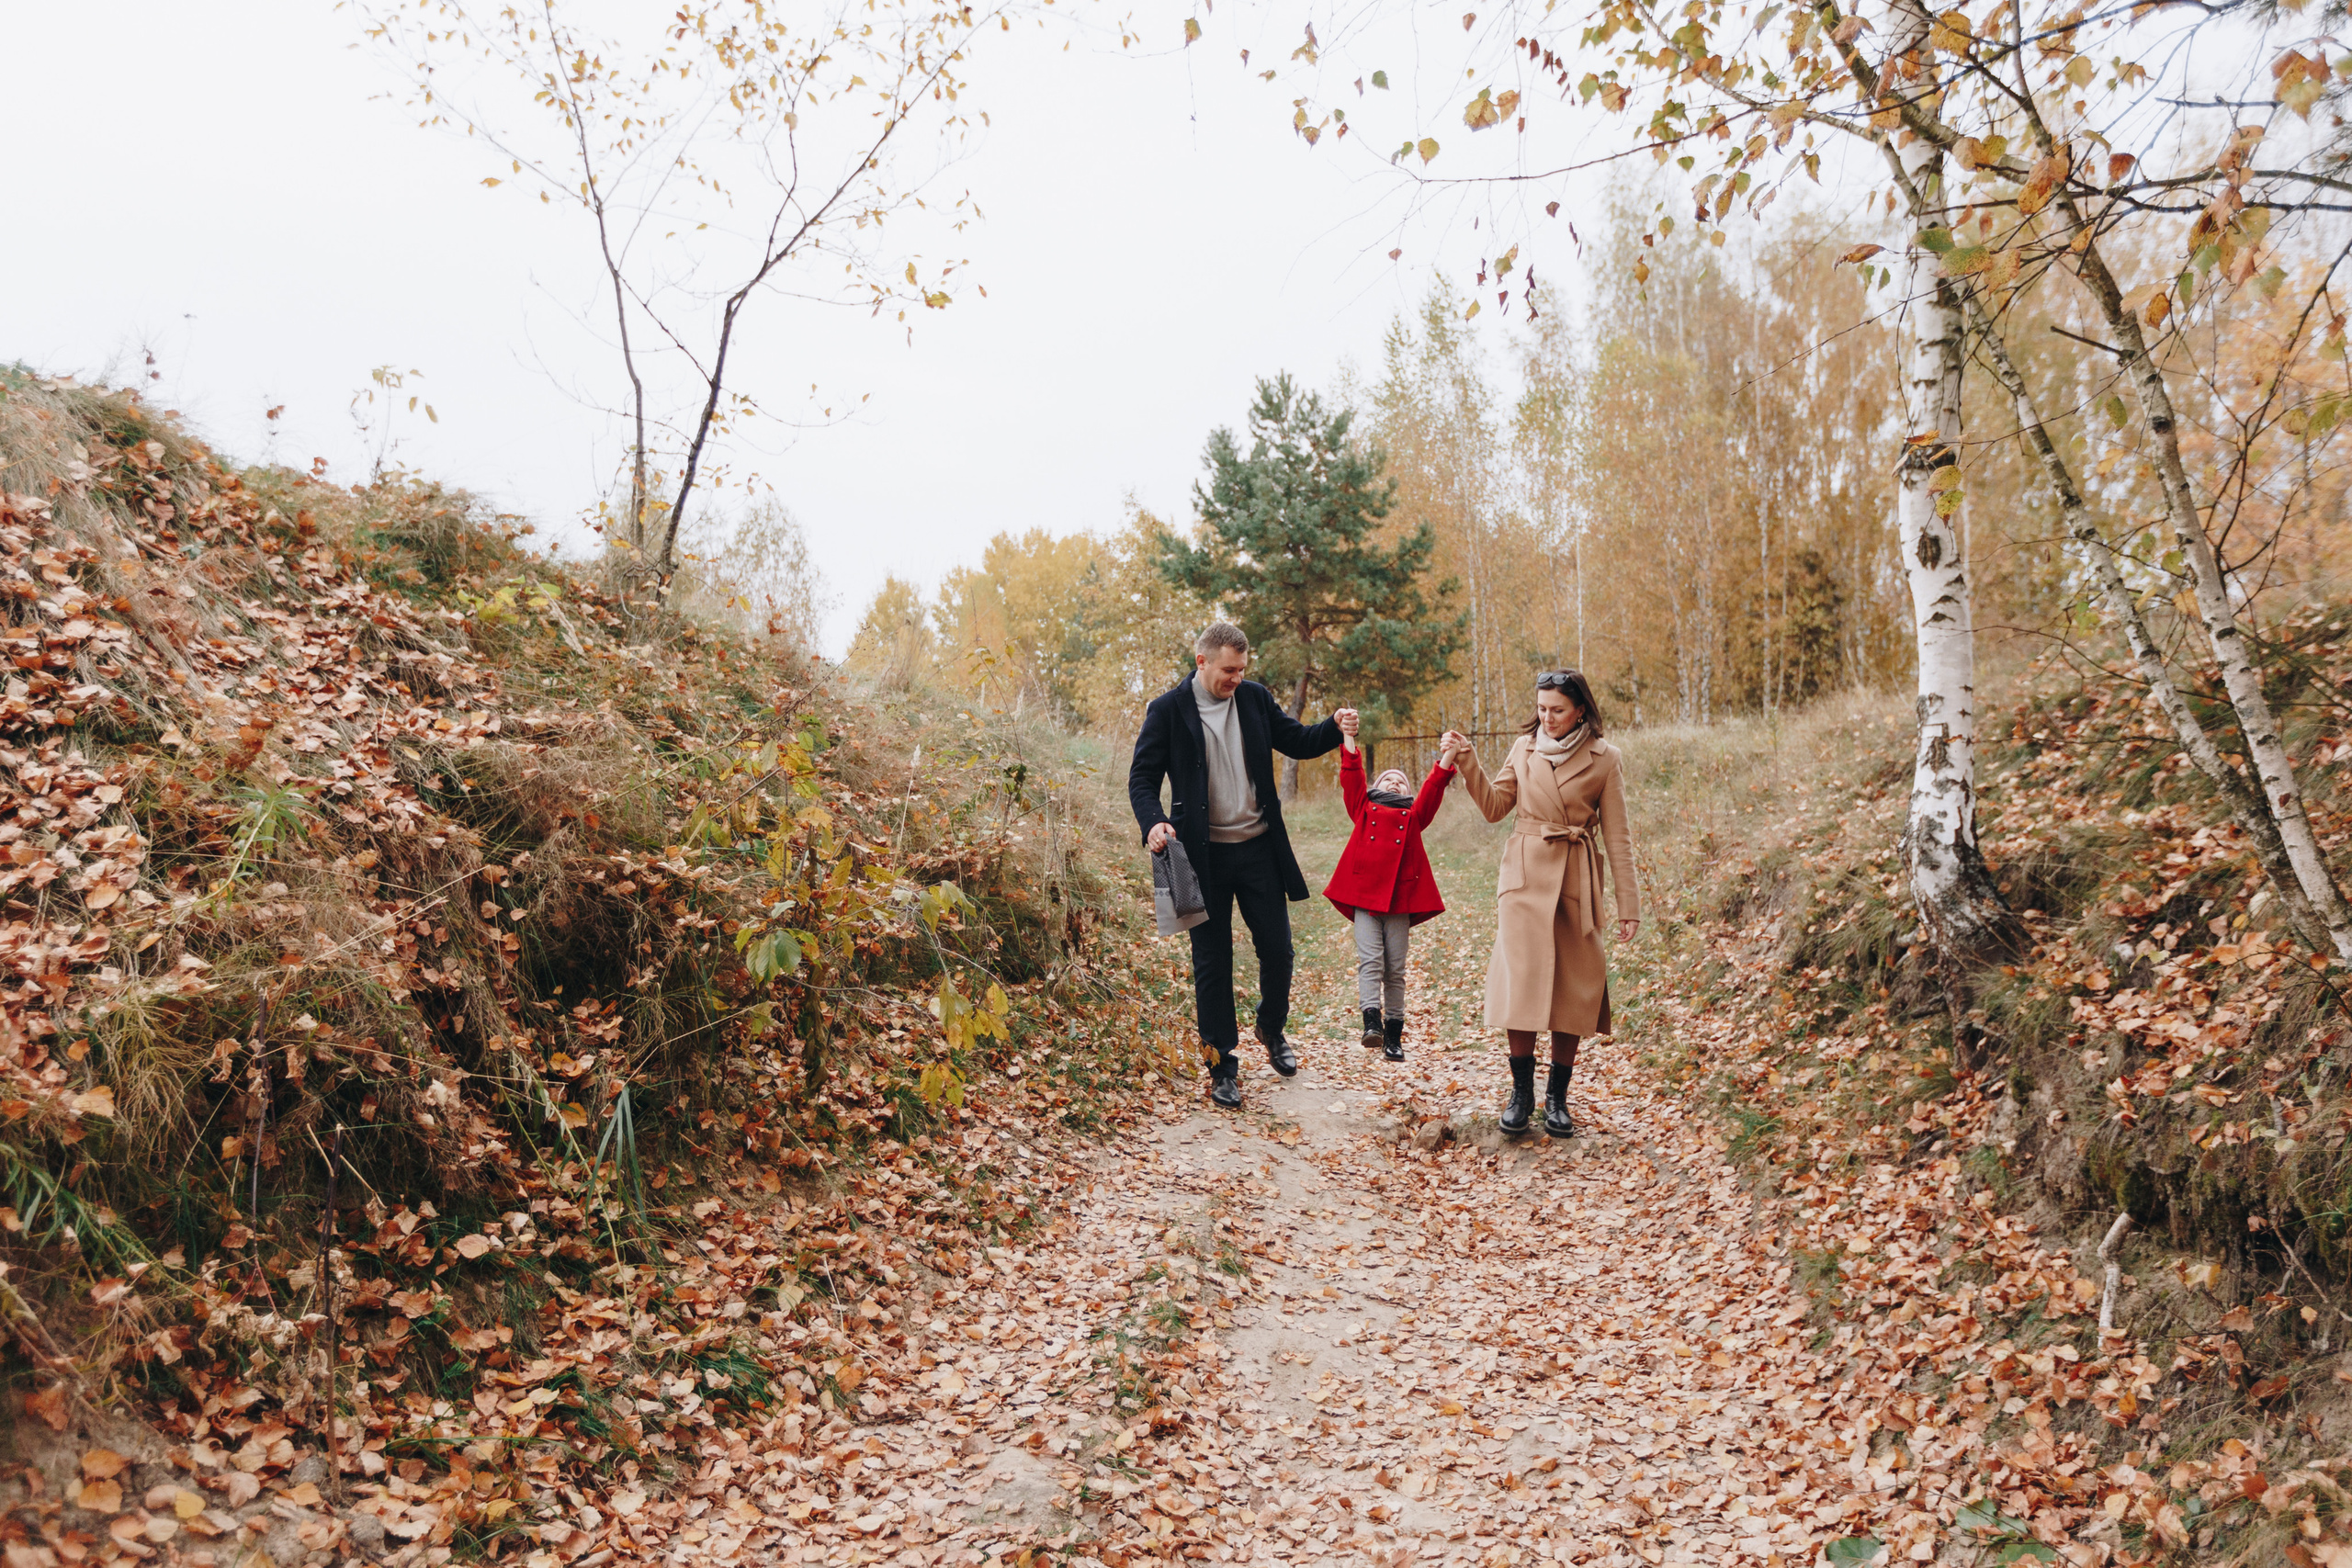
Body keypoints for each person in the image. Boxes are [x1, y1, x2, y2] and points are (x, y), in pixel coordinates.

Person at [1129, 623, 1351, 1109]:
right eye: (1228, 670)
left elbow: (1297, 740)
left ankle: (1271, 1029)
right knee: (1212, 962)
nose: (1236, 678)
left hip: (1258, 850)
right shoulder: (1167, 711)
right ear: (1202, 661)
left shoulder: (1253, 699)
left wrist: (1333, 726)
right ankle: (1221, 1065)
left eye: (1242, 670)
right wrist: (1153, 822)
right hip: (1199, 856)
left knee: (1279, 951)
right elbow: (1142, 778)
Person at [1447, 670, 1641, 1139]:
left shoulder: (1605, 757)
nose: (1547, 719)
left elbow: (1617, 836)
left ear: (1579, 710)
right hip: (1525, 876)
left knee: (1574, 986)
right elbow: (1496, 807)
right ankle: (1521, 1095)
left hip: (1575, 874)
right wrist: (1468, 761)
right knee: (1522, 983)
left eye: (1557, 710)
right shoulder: (1524, 748)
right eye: (1540, 709)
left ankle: (1557, 1099)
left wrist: (1628, 904)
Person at [1322, 713, 1459, 1063]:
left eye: (1401, 781)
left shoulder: (1413, 816)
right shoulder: (1362, 807)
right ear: (1376, 786)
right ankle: (1372, 1024)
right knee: (1370, 962)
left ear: (1409, 792)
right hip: (1365, 900)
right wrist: (1348, 736)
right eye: (1388, 779)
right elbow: (1352, 775)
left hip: (1400, 901)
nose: (1395, 784)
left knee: (1394, 969)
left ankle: (1394, 1036)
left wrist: (1448, 755)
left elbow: (1433, 788)